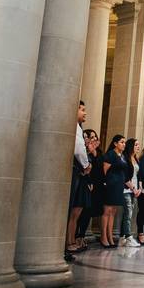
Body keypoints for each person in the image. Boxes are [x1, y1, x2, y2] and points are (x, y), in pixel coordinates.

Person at [66, 101, 92, 254]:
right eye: (82, 109)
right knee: (71, 210)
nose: (85, 113)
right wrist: (86, 164)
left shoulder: (78, 128)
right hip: (76, 170)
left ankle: (70, 241)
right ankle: (67, 243)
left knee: (75, 211)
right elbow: (78, 149)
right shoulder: (75, 127)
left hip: (78, 171)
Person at [75, 129, 102, 248]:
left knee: (88, 213)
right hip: (85, 183)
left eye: (95, 137)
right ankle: (76, 237)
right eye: (92, 137)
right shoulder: (83, 150)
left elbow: (100, 168)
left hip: (96, 185)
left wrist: (95, 153)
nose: (94, 139)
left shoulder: (99, 153)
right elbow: (85, 166)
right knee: (80, 213)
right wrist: (90, 152)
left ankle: (82, 236)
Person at [101, 135, 129, 248]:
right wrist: (105, 183)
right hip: (111, 185)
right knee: (107, 211)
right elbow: (105, 170)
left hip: (119, 185)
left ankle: (110, 236)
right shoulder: (110, 154)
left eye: (125, 142)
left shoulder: (122, 156)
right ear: (115, 143)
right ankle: (103, 237)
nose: (124, 144)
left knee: (113, 211)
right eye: (122, 142)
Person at [118, 138, 140, 247]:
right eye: (136, 145)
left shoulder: (136, 158)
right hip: (126, 189)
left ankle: (122, 237)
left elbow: (138, 175)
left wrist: (138, 188)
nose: (138, 147)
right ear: (131, 146)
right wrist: (133, 188)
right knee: (128, 213)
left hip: (134, 189)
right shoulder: (125, 158)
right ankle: (128, 236)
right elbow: (125, 177)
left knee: (129, 214)